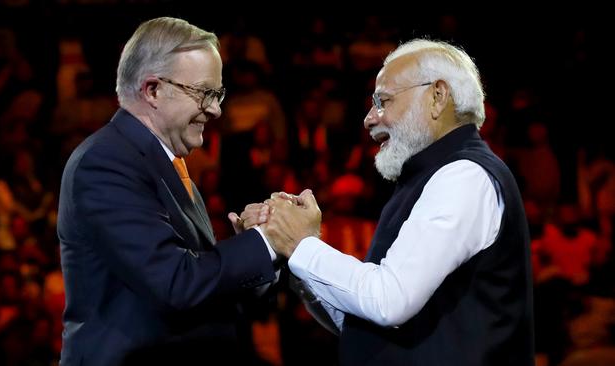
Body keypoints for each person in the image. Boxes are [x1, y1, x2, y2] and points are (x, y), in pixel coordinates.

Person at [261, 39, 535, 365]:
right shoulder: (427, 176)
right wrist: (293, 255)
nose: (369, 118)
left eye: (383, 101)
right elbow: (363, 324)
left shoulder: (464, 177)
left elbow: (389, 300)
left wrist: (301, 243)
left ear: (437, 97)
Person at [57, 17, 278, 366]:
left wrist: (257, 247)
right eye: (205, 93)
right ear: (153, 90)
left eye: (218, 94)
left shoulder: (166, 161)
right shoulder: (106, 162)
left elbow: (202, 284)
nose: (216, 109)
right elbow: (176, 283)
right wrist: (267, 241)